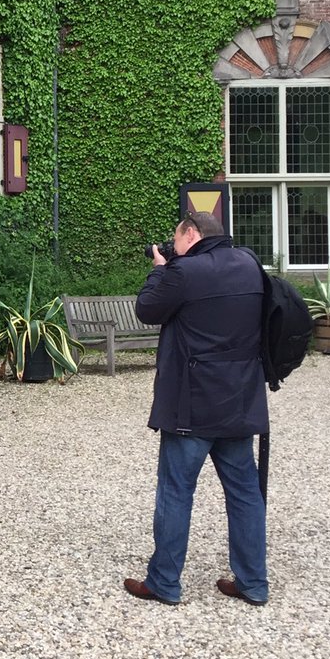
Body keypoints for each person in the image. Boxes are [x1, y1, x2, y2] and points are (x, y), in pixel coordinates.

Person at [124, 211, 270, 606]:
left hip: (191, 404)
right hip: (239, 401)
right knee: (245, 494)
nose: (173, 246)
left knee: (175, 491)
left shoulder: (183, 272)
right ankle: (253, 583)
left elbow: (147, 310)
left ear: (191, 234)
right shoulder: (249, 264)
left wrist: (159, 269)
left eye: (176, 239)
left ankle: (164, 582)